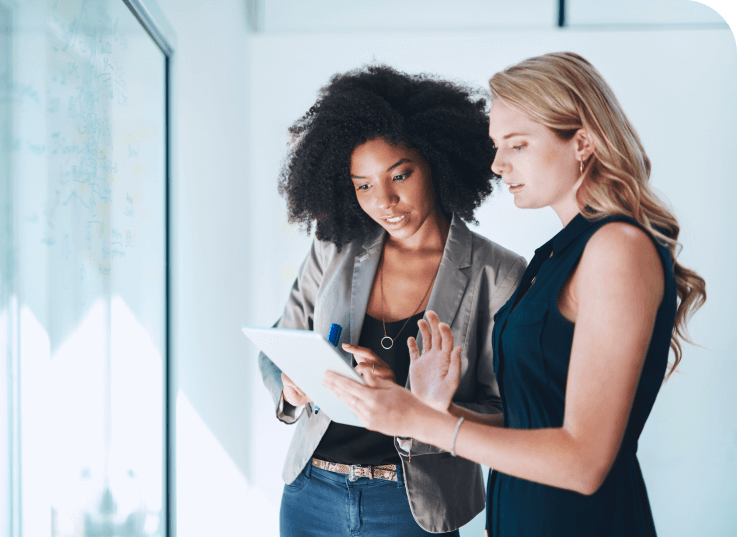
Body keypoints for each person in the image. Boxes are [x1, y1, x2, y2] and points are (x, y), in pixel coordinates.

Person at [322, 52, 707, 536]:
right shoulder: (555, 255)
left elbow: (583, 463)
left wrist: (424, 425)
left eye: (517, 145)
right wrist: (436, 408)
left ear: (582, 142)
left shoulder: (616, 248)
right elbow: (534, 426)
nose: (498, 164)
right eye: (496, 145)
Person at [257, 64, 527, 536]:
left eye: (399, 175)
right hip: (310, 492)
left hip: (411, 505)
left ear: (436, 162)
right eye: (363, 185)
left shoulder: (498, 274)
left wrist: (415, 405)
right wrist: (289, 386)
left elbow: (509, 414)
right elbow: (279, 342)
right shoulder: (334, 247)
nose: (384, 200)